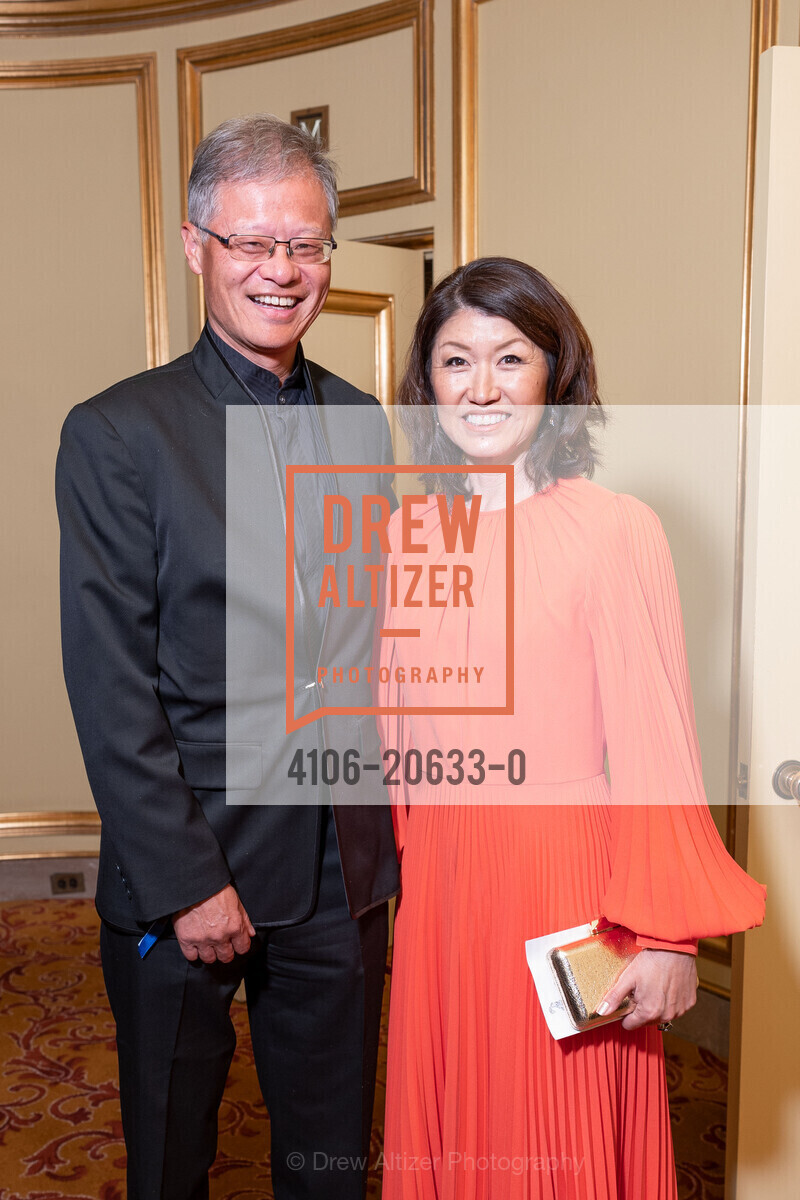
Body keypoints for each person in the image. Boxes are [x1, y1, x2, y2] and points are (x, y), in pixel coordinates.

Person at [56, 114, 399, 1200]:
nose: (280, 270)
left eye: (303, 245)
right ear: (199, 245)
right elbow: (112, 681)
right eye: (252, 242)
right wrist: (188, 881)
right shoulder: (119, 432)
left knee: (331, 1158)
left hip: (337, 878)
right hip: (185, 876)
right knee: (170, 1160)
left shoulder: (359, 420)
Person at [376, 257, 766, 1199]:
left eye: (510, 358)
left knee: (560, 1139)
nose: (481, 386)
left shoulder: (614, 528)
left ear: (556, 374)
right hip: (443, 885)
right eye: (455, 361)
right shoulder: (405, 539)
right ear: (427, 383)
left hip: (567, 882)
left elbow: (655, 741)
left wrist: (669, 938)